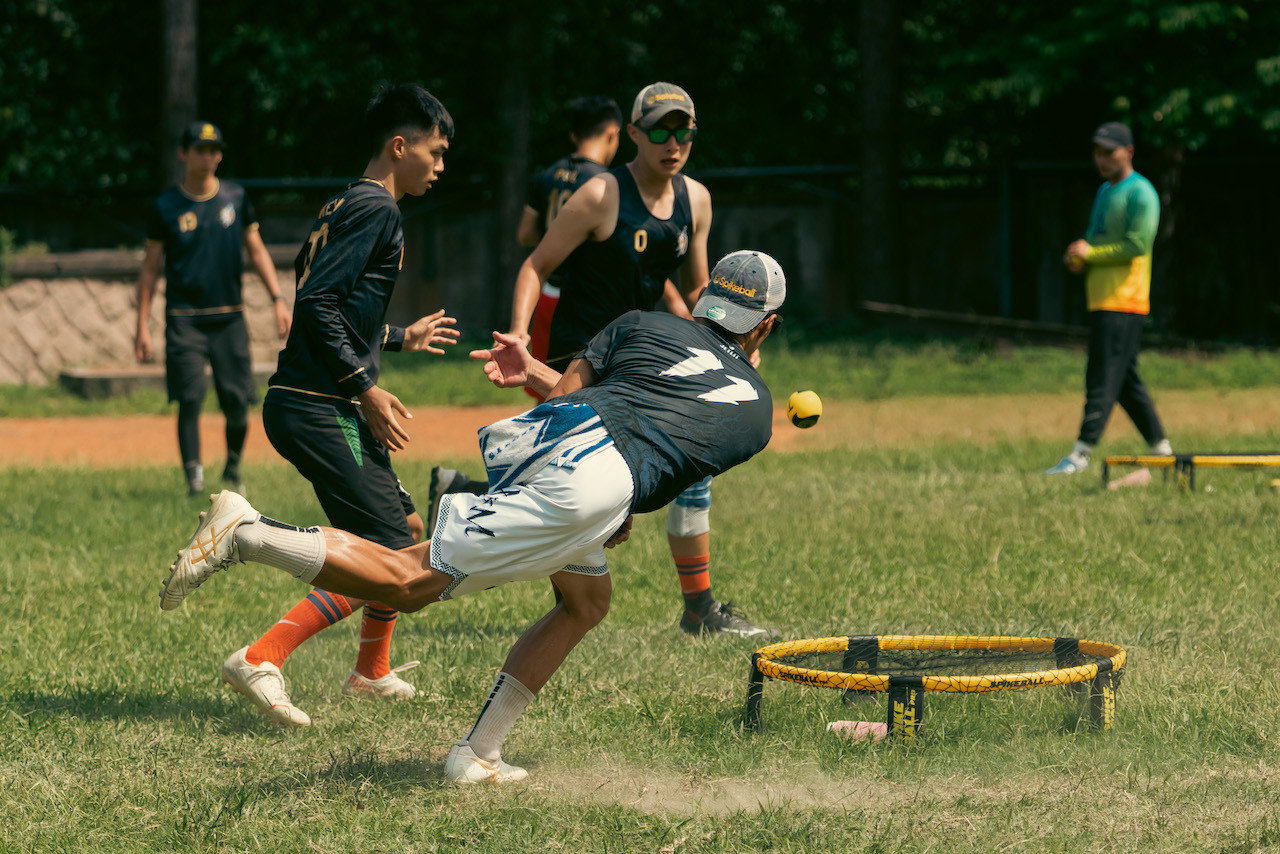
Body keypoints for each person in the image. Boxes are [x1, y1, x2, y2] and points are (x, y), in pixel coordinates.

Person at [160, 249, 787, 784]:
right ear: (764, 328)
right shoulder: (756, 414)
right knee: (411, 582)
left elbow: (571, 394)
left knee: (586, 600)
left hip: (553, 435)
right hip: (600, 480)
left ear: (705, 298)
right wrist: (610, 509)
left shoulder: (643, 322)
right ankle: (247, 533)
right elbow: (669, 465)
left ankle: (479, 755)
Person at [432, 82, 770, 639]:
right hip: (584, 360)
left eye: (684, 130)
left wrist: (726, 357)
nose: (674, 142)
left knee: (688, 472)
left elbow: (697, 297)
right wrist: (519, 333)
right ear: (632, 134)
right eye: (660, 129)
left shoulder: (697, 201)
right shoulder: (599, 194)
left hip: (649, 363)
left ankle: (698, 609)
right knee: (570, 497)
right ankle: (459, 516)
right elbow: (534, 265)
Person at [214, 83, 462, 728]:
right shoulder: (378, 210)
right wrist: (364, 385)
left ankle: (370, 670)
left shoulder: (342, 206)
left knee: (407, 536)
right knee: (388, 554)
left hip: (320, 398)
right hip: (319, 403)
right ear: (398, 145)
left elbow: (335, 312)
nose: (440, 166)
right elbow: (316, 308)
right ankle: (260, 655)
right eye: (434, 152)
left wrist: (396, 339)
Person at [135, 121, 291, 496]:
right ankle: (194, 481)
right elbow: (151, 267)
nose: (208, 156)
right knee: (189, 399)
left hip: (229, 319)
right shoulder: (165, 206)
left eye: (214, 149)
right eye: (200, 149)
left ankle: (233, 467)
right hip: (183, 320)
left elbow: (256, 250)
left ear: (220, 155)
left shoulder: (236, 198)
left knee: (237, 402)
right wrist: (140, 324)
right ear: (183, 154)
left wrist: (278, 299)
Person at [1047, 121, 1171, 475]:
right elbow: (1095, 240)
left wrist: (1091, 255)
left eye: (1109, 151)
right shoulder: (1105, 191)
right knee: (1126, 383)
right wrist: (1078, 257)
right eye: (1097, 152)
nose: (1101, 159)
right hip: (1102, 300)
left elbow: (1137, 245)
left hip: (1125, 300)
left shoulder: (1141, 192)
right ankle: (1163, 454)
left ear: (1128, 152)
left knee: (1101, 377)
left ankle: (1080, 455)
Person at [515, 95, 622, 375]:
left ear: (574, 134)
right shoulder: (606, 186)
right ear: (614, 133)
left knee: (544, 382)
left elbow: (525, 234)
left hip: (547, 291)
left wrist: (555, 241)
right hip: (584, 302)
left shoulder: (547, 174)